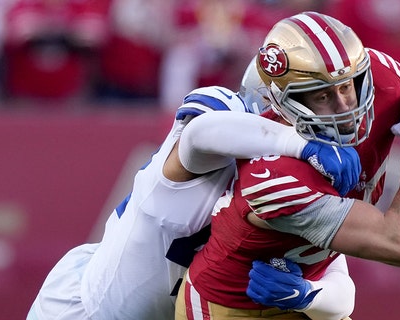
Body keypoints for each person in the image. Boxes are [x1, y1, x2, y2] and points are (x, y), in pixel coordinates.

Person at [176, 11, 400, 320]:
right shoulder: (275, 173)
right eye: (321, 96)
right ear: (286, 102)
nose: (346, 104)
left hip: (307, 286)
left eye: (347, 86)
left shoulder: (376, 82)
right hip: (227, 308)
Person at [26, 85, 362, 320]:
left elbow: (343, 291)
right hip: (87, 308)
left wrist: (307, 293)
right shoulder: (218, 134)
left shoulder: (297, 183)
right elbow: (201, 132)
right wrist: (297, 145)